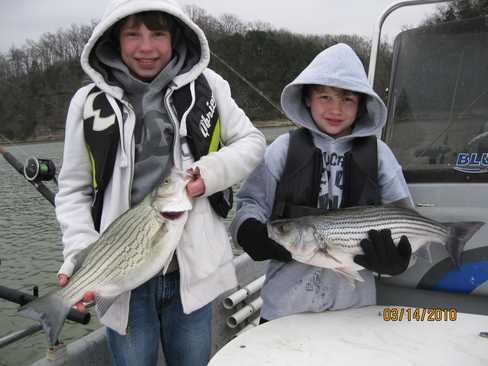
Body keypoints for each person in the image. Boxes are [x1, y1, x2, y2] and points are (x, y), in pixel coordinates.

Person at [54, 0, 266, 365]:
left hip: (192, 273)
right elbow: (73, 189)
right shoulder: (87, 102)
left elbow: (253, 142)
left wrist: (209, 174)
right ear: (113, 39)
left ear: (177, 35)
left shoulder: (210, 85)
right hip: (121, 277)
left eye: (158, 33)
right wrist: (82, 254)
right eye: (132, 34)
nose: (146, 47)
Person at [230, 43, 413, 323]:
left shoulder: (381, 156)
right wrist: (249, 230)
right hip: (285, 308)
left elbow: (405, 216)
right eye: (325, 96)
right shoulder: (282, 148)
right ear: (307, 99)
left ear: (362, 105)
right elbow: (250, 202)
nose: (335, 108)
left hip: (354, 310)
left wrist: (400, 258)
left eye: (348, 99)